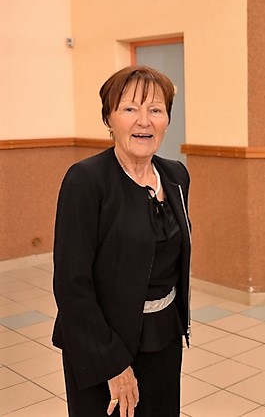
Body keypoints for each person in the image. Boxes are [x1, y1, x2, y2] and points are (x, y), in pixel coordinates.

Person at [52, 66, 192, 417]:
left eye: (156, 109)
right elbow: (71, 283)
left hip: (163, 336)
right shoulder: (86, 181)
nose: (144, 121)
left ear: (167, 119)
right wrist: (110, 363)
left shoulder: (176, 175)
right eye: (130, 108)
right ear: (109, 119)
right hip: (102, 341)